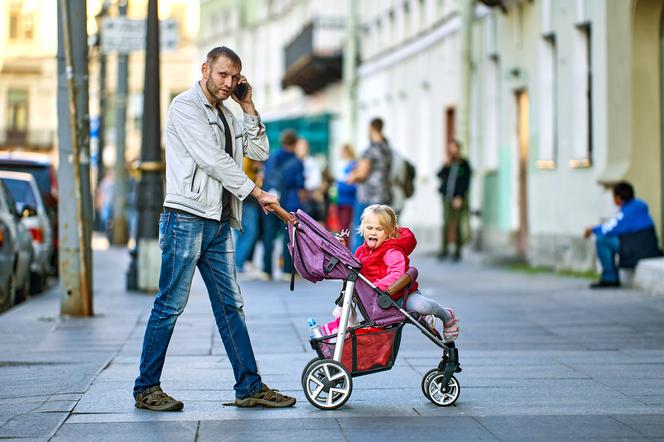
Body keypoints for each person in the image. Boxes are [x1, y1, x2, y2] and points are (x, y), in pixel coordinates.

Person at [133, 46, 296, 411]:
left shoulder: (229, 113)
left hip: (220, 221)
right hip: (186, 218)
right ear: (205, 69)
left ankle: (249, 386)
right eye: (222, 75)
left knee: (230, 306)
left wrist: (248, 106)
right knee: (170, 304)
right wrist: (255, 193)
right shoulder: (185, 107)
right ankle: (146, 387)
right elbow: (213, 159)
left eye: (234, 77)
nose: (228, 83)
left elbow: (260, 151)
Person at [355, 204, 459, 342]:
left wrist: (376, 285)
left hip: (402, 296)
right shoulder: (361, 252)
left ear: (389, 233)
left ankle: (447, 315)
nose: (373, 232)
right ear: (362, 228)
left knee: (423, 306)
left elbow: (396, 274)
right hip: (380, 300)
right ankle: (424, 316)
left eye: (379, 229)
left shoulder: (392, 251)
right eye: (369, 228)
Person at [584, 181, 659, 289]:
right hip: (650, 248)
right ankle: (610, 276)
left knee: (602, 240)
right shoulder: (639, 206)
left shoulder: (627, 211)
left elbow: (610, 229)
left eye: (613, 196)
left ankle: (609, 278)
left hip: (637, 250)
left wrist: (592, 229)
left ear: (618, 198)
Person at [260, 129, 304, 281]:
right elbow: (300, 183)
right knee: (288, 236)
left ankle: (266, 270)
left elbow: (265, 177)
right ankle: (287, 270)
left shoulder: (271, 158)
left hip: (271, 200)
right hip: (289, 203)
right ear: (294, 143)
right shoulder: (296, 162)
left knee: (269, 235)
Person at [347, 118, 393, 252]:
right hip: (383, 196)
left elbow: (362, 173)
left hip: (367, 197)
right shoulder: (387, 149)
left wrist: (352, 175)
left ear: (372, 128)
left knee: (361, 232)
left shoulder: (371, 150)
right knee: (380, 234)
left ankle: (357, 266)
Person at [437, 140, 472, 261]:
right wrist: (445, 165)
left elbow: (466, 182)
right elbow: (439, 175)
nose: (451, 151)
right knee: (446, 223)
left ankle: (457, 251)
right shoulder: (448, 164)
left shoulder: (464, 164)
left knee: (457, 224)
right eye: (450, 148)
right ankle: (444, 250)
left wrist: (460, 196)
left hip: (457, 198)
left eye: (453, 148)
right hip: (447, 198)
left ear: (458, 149)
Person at [234, 158, 262, 273]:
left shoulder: (244, 157)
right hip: (247, 201)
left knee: (242, 232)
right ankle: (238, 262)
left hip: (242, 200)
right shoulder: (247, 160)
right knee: (250, 232)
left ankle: (238, 262)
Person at [295, 138, 325, 222]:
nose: (302, 150)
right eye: (300, 147)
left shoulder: (312, 162)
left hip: (309, 200)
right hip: (295, 200)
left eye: (304, 147)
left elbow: (316, 181)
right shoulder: (292, 162)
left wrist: (304, 187)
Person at [336, 144, 357, 234]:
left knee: (345, 230)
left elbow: (353, 186)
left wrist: (339, 185)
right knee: (342, 228)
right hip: (341, 200)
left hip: (348, 202)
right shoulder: (344, 165)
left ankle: (345, 248)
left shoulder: (353, 166)